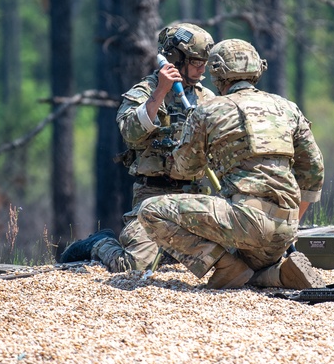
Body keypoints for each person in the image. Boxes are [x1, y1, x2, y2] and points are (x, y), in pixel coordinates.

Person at [136, 39, 326, 290]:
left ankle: (225, 266)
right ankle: (274, 275)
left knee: (150, 211)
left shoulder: (208, 111)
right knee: (250, 257)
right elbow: (314, 171)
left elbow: (183, 169)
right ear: (258, 69)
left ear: (217, 74)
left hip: (244, 222)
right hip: (285, 228)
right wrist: (291, 222)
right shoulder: (287, 108)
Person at [59, 22, 216, 272]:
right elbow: (131, 134)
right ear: (176, 58)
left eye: (205, 62)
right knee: (133, 266)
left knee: (224, 259)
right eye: (197, 61)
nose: (202, 68)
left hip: (196, 198)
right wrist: (161, 92)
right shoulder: (144, 92)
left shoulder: (208, 98)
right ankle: (99, 243)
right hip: (153, 198)